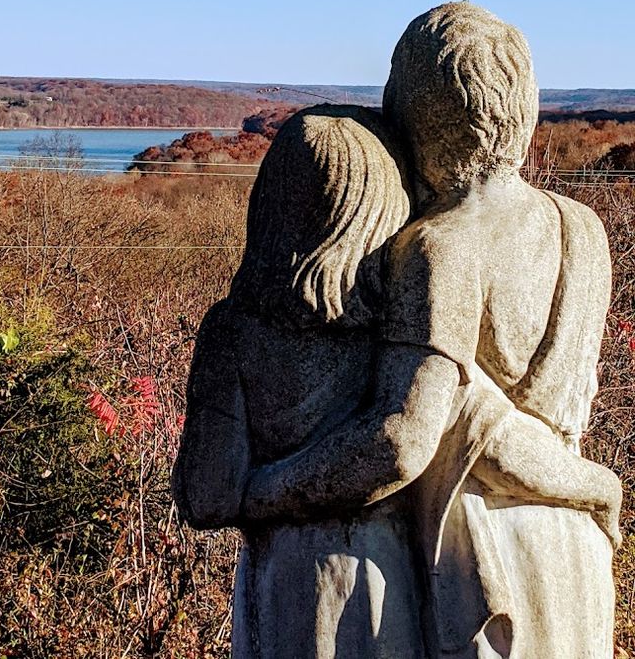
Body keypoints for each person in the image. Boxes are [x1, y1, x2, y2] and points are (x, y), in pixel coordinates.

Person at [173, 96, 620, 659]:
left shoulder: (232, 330)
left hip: (283, 573)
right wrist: (599, 486)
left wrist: (258, 494)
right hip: (385, 576)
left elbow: (207, 497)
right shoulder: (390, 331)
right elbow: (407, 443)